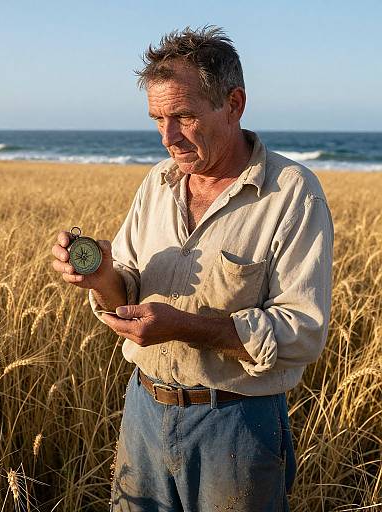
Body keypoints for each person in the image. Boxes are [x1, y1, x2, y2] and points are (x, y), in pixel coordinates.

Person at [51, 25, 334, 512]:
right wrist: (103, 281)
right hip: (142, 409)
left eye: (182, 115)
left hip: (239, 423)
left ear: (234, 103)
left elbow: (303, 331)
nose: (167, 136)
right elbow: (127, 292)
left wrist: (185, 327)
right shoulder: (156, 185)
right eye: (157, 118)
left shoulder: (292, 193)